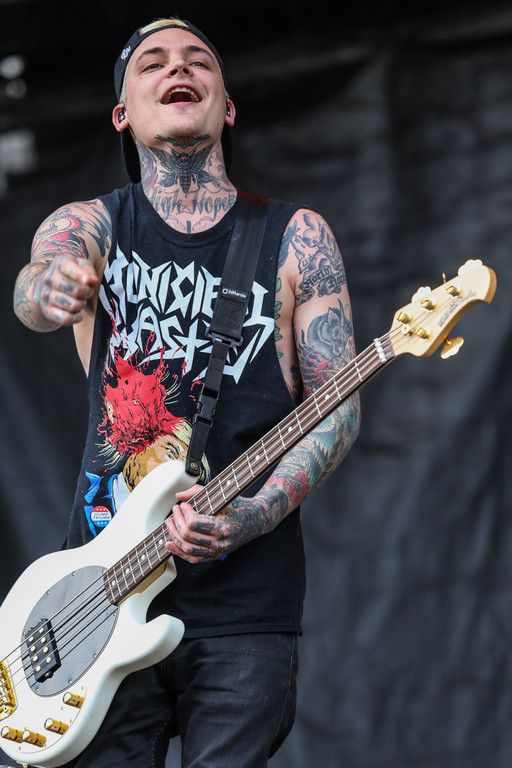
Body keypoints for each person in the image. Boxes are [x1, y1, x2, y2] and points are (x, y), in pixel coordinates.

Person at [12, 16, 360, 768]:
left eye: (198, 61)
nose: (178, 69)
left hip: (244, 604)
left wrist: (253, 515)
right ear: (122, 114)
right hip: (96, 599)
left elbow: (336, 412)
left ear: (226, 105)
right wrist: (53, 287)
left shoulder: (298, 238)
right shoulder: (94, 225)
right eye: (154, 63)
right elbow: (35, 287)